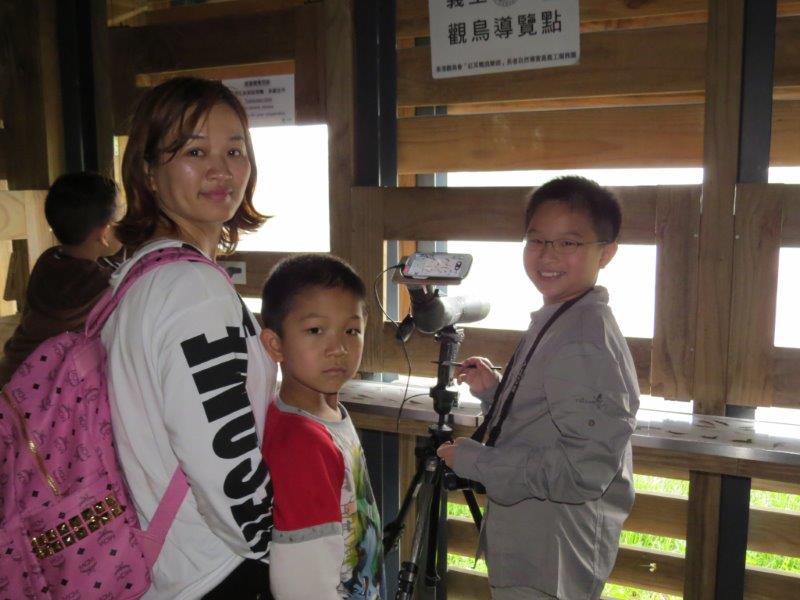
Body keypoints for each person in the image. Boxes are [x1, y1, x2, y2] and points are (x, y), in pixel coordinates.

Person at [102, 77, 277, 599]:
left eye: (234, 151)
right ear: (148, 172)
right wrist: (271, 546)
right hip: (214, 568)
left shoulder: (139, 271)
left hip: (163, 560)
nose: (222, 170)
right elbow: (223, 458)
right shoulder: (192, 289)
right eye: (195, 151)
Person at [437, 176, 639, 600]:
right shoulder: (564, 314)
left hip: (552, 550)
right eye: (537, 240)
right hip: (537, 539)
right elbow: (550, 414)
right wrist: (494, 392)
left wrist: (477, 461)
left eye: (569, 243)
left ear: (606, 252)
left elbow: (583, 470)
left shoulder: (582, 337)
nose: (548, 255)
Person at [260, 254, 383, 600]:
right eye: (316, 330)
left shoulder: (329, 413)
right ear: (275, 344)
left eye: (352, 330)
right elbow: (301, 581)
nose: (339, 348)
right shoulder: (302, 444)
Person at [0, 171, 122, 385]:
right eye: (119, 221)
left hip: (13, 371)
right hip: (40, 389)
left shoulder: (48, 260)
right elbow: (126, 274)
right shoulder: (97, 283)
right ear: (104, 233)